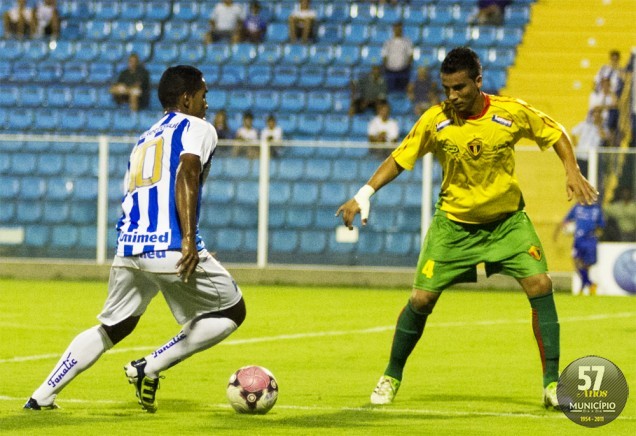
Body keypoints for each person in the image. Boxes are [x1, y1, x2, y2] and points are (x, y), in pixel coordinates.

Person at [336, 47, 598, 410]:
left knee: (541, 284)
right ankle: (391, 375)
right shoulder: (436, 120)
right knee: (421, 300)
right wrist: (364, 193)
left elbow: (554, 132)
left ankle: (552, 384)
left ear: (478, 81)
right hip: (453, 227)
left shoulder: (510, 113)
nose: (452, 96)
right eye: (447, 89)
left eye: (459, 88)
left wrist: (572, 169)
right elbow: (399, 157)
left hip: (507, 224)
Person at [24, 65, 246, 412]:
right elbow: (187, 172)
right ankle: (148, 366)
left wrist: (153, 239)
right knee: (232, 310)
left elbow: (135, 192)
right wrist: (188, 237)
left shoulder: (146, 137)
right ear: (187, 98)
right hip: (169, 245)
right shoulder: (199, 127)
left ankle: (42, 395)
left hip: (130, 244)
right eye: (204, 95)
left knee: (114, 325)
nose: (207, 102)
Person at [553, 203, 605, 295]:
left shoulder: (596, 209)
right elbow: (566, 220)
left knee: (586, 266)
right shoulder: (577, 207)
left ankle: (583, 288)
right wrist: (557, 233)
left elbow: (601, 226)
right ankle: (590, 284)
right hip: (578, 240)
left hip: (590, 240)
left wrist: (595, 235)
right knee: (576, 261)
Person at [570, 107, 609, 178]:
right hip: (581, 156)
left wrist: (599, 125)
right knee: (580, 178)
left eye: (599, 113)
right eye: (595, 113)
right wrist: (577, 146)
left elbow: (605, 137)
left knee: (591, 178)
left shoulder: (603, 128)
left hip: (593, 157)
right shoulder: (585, 124)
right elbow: (573, 132)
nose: (596, 115)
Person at [381, 22, 413, 93]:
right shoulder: (388, 42)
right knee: (391, 91)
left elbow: (410, 55)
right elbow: (384, 56)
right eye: (396, 28)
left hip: (403, 70)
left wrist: (407, 66)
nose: (398, 30)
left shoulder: (407, 42)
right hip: (390, 70)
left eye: (399, 28)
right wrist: (386, 66)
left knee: (403, 91)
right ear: (393, 29)